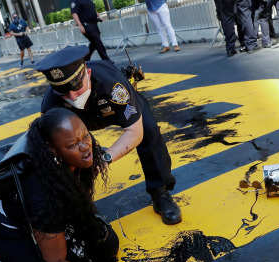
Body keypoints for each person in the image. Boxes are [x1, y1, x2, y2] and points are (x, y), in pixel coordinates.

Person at [0, 108, 151, 262]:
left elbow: (77, 198)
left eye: (85, 136)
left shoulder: (78, 157)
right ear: (52, 149)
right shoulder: (43, 195)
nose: (85, 147)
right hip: (7, 229)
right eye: (73, 144)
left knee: (107, 249)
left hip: (40, 216)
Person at [37, 46, 182, 225]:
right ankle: (78, 202)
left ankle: (160, 191)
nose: (73, 96)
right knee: (65, 150)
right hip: (78, 122)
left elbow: (134, 133)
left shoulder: (114, 84)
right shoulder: (51, 103)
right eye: (64, 92)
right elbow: (49, 148)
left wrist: (104, 158)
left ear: (87, 73)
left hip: (113, 109)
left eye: (76, 86)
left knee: (149, 129)